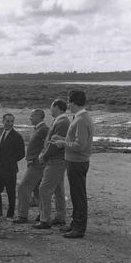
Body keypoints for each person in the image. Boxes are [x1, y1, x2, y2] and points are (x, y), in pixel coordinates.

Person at [51, 90, 94, 238]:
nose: (68, 105)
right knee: (76, 195)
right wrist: (62, 138)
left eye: (69, 102)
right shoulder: (81, 117)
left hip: (77, 161)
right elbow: (77, 141)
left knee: (78, 196)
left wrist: (63, 143)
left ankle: (79, 229)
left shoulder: (81, 119)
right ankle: (75, 224)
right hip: (75, 160)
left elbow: (80, 145)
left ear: (74, 102)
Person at [33, 99, 70, 229]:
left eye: (51, 107)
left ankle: (45, 219)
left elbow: (55, 145)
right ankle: (60, 217)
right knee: (58, 190)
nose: (50, 109)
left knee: (44, 189)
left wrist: (44, 156)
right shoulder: (60, 121)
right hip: (58, 160)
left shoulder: (62, 122)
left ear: (57, 107)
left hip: (56, 161)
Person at [13, 109, 49, 224]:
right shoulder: (38, 129)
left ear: (39, 116)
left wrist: (38, 158)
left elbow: (47, 145)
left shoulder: (44, 129)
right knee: (38, 190)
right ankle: (42, 214)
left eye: (32, 115)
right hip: (34, 163)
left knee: (23, 187)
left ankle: (22, 215)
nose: (30, 118)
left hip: (36, 164)